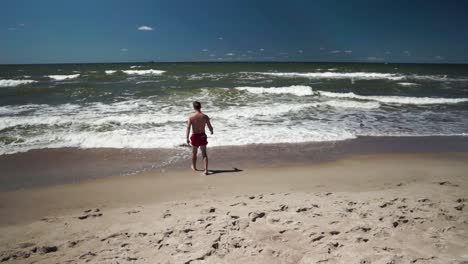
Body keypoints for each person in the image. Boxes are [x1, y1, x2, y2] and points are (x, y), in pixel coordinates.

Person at [186, 101, 213, 175]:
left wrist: (187, 138)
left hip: (195, 136)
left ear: (194, 107)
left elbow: (188, 128)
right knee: (204, 153)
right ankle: (206, 170)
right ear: (200, 107)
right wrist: (211, 131)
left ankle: (194, 167)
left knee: (194, 153)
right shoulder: (205, 116)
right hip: (202, 135)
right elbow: (209, 126)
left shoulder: (191, 117)